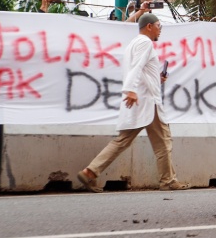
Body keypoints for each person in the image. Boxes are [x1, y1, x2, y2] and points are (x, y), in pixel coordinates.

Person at [77, 13, 190, 192]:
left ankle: (90, 172)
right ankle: (168, 181)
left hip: (138, 99)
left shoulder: (133, 44)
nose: (160, 30)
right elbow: (136, 67)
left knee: (121, 140)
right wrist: (130, 90)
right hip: (147, 102)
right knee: (163, 142)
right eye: (159, 26)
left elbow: (139, 70)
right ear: (149, 27)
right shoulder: (145, 43)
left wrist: (156, 79)